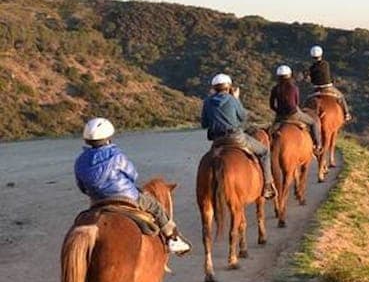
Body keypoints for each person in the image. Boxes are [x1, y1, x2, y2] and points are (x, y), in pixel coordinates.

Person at [74, 117, 192, 254]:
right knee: (155, 207)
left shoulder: (80, 160)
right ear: (108, 137)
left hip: (96, 200)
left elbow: (81, 186)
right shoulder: (116, 155)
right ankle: (172, 240)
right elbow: (132, 175)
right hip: (126, 195)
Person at [200, 73, 277, 199]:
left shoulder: (207, 101)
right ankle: (268, 185)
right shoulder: (232, 99)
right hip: (236, 137)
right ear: (229, 87)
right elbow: (243, 117)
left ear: (214, 88)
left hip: (218, 140)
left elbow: (204, 124)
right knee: (264, 152)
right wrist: (236, 99)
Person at [270, 65, 322, 156]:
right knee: (313, 123)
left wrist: (278, 111)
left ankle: (270, 148)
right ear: (289, 75)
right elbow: (296, 102)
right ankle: (317, 144)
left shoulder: (275, 89)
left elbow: (271, 104)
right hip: (294, 114)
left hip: (280, 117)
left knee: (271, 131)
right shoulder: (293, 88)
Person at [307, 45, 352, 122]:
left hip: (316, 88)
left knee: (307, 99)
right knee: (341, 97)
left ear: (312, 56)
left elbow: (312, 80)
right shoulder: (326, 64)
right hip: (328, 87)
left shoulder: (312, 68)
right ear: (321, 54)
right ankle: (346, 114)